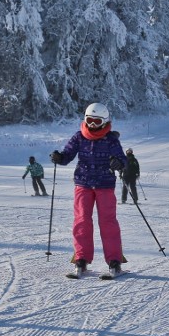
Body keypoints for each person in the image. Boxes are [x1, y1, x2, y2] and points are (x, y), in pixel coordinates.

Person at [50, 103, 127, 278]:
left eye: (96, 121)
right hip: (83, 184)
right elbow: (67, 155)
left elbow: (122, 159)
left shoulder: (110, 139)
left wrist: (119, 163)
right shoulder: (79, 137)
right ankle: (81, 258)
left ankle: (114, 260)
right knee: (82, 221)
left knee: (107, 222)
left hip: (105, 184)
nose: (92, 124)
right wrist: (59, 157)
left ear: (105, 121)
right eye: (89, 120)